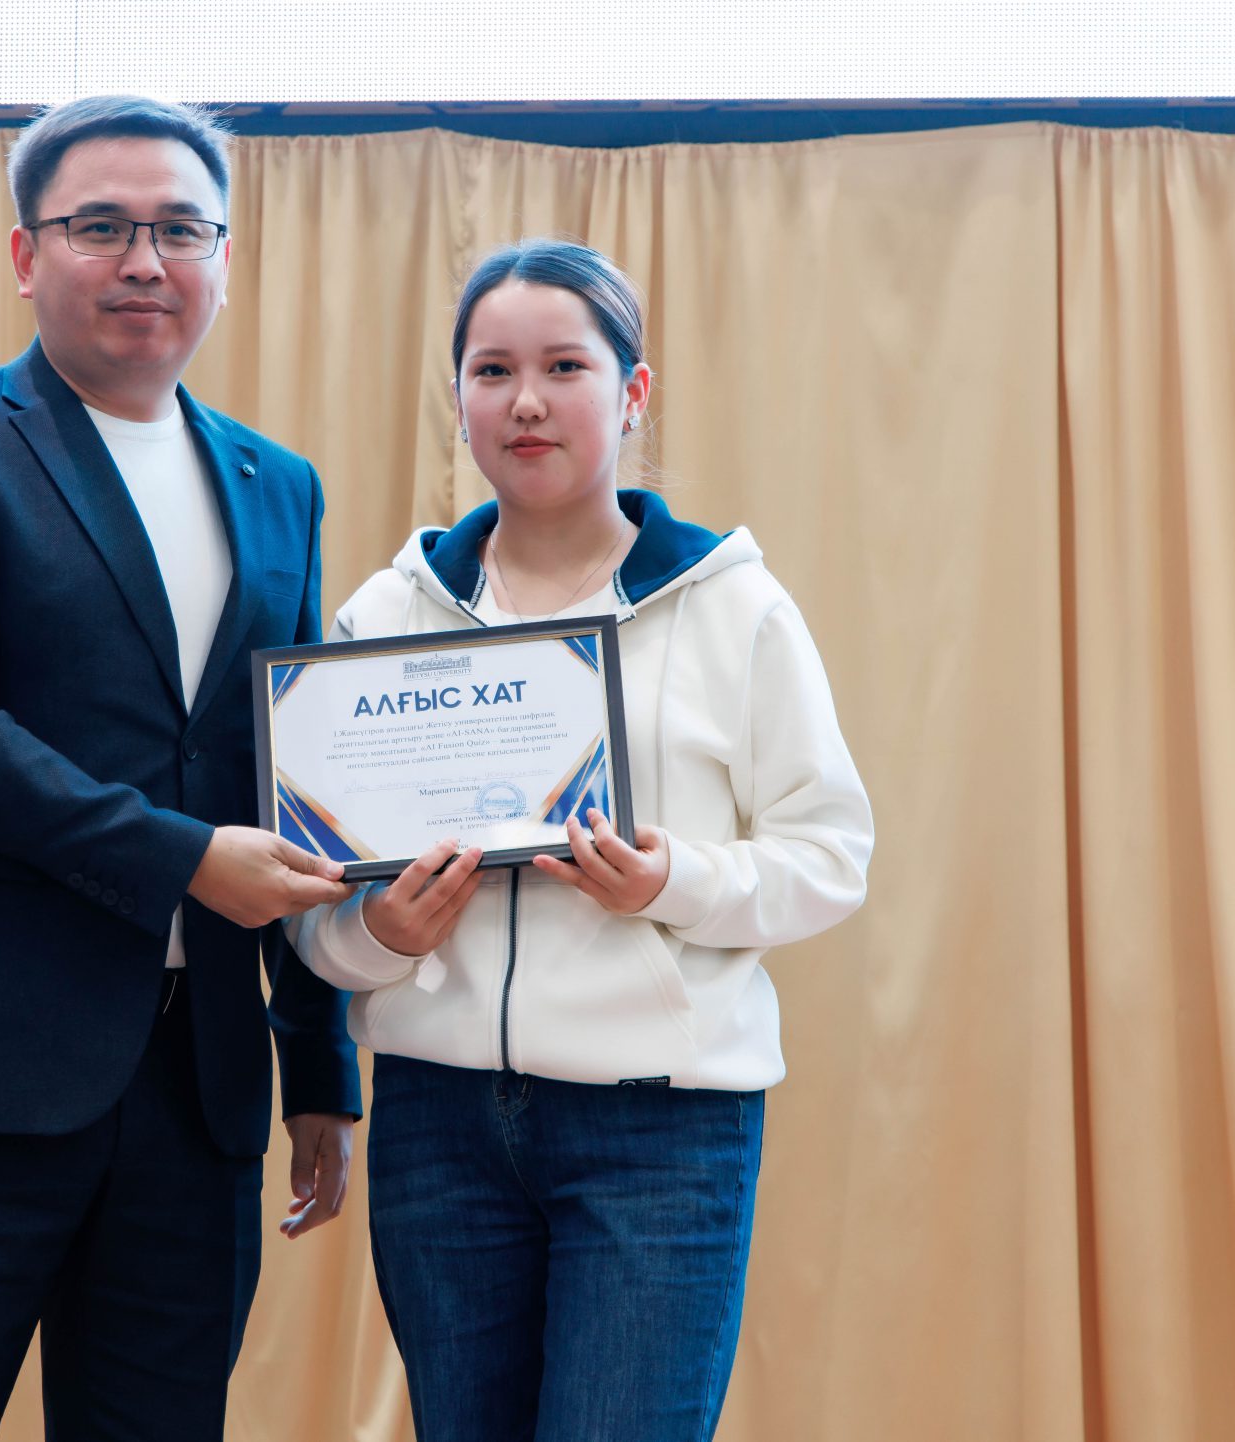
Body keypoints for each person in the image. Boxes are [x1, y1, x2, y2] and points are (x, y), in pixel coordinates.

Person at [0, 95, 363, 1442]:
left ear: (222, 257)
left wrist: (318, 1064)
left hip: (195, 1086)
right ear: (24, 253)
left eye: (180, 229)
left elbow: (289, 774)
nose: (143, 261)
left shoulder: (279, 483)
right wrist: (186, 859)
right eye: (99, 226)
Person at [292, 240, 874, 1440]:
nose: (525, 400)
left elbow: (829, 857)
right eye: (491, 369)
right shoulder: (384, 613)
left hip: (657, 1128)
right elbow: (316, 908)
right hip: (436, 1121)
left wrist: (672, 881)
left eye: (564, 365)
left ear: (631, 392)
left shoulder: (731, 604)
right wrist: (377, 935)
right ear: (457, 396)